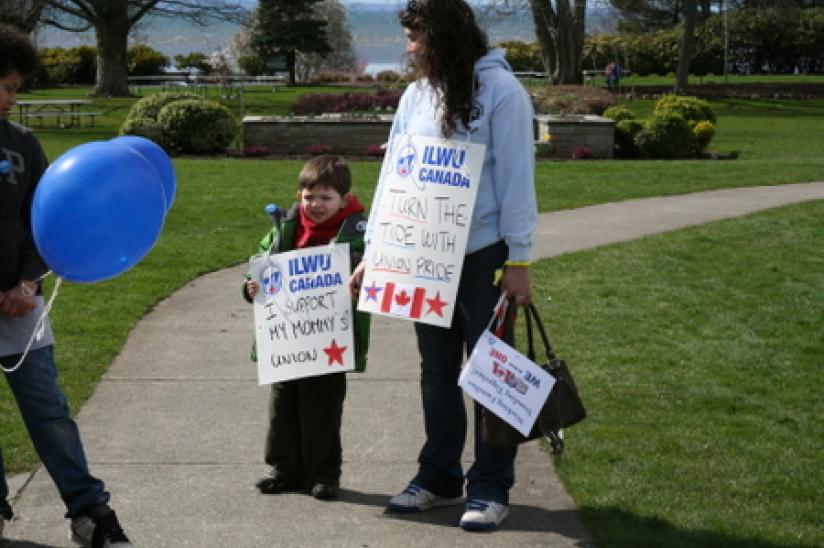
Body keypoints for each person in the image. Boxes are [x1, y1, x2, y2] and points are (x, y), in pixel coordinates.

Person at [348, 0, 538, 532]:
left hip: (483, 257)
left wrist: (519, 257)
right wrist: (377, 250)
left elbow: (518, 181)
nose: (409, 49)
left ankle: (491, 486)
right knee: (436, 372)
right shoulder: (416, 94)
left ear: (445, 37)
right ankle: (438, 476)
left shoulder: (503, 93)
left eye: (416, 37)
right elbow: (395, 175)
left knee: (490, 374)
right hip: (421, 257)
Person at [0, 24, 133, 547]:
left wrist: (27, 281)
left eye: (15, 87)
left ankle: (90, 513)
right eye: (7, 86)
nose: (13, 98)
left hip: (21, 308)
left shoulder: (23, 145)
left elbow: (46, 221)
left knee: (49, 412)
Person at [244, 155, 370, 501]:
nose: (315, 205)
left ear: (344, 200)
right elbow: (261, 259)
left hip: (331, 336)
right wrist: (251, 285)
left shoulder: (358, 231)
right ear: (299, 195)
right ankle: (284, 469)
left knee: (323, 407)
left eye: (325, 198)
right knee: (284, 405)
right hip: (286, 336)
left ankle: (323, 474)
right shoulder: (286, 226)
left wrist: (359, 272)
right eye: (309, 196)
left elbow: (372, 272)